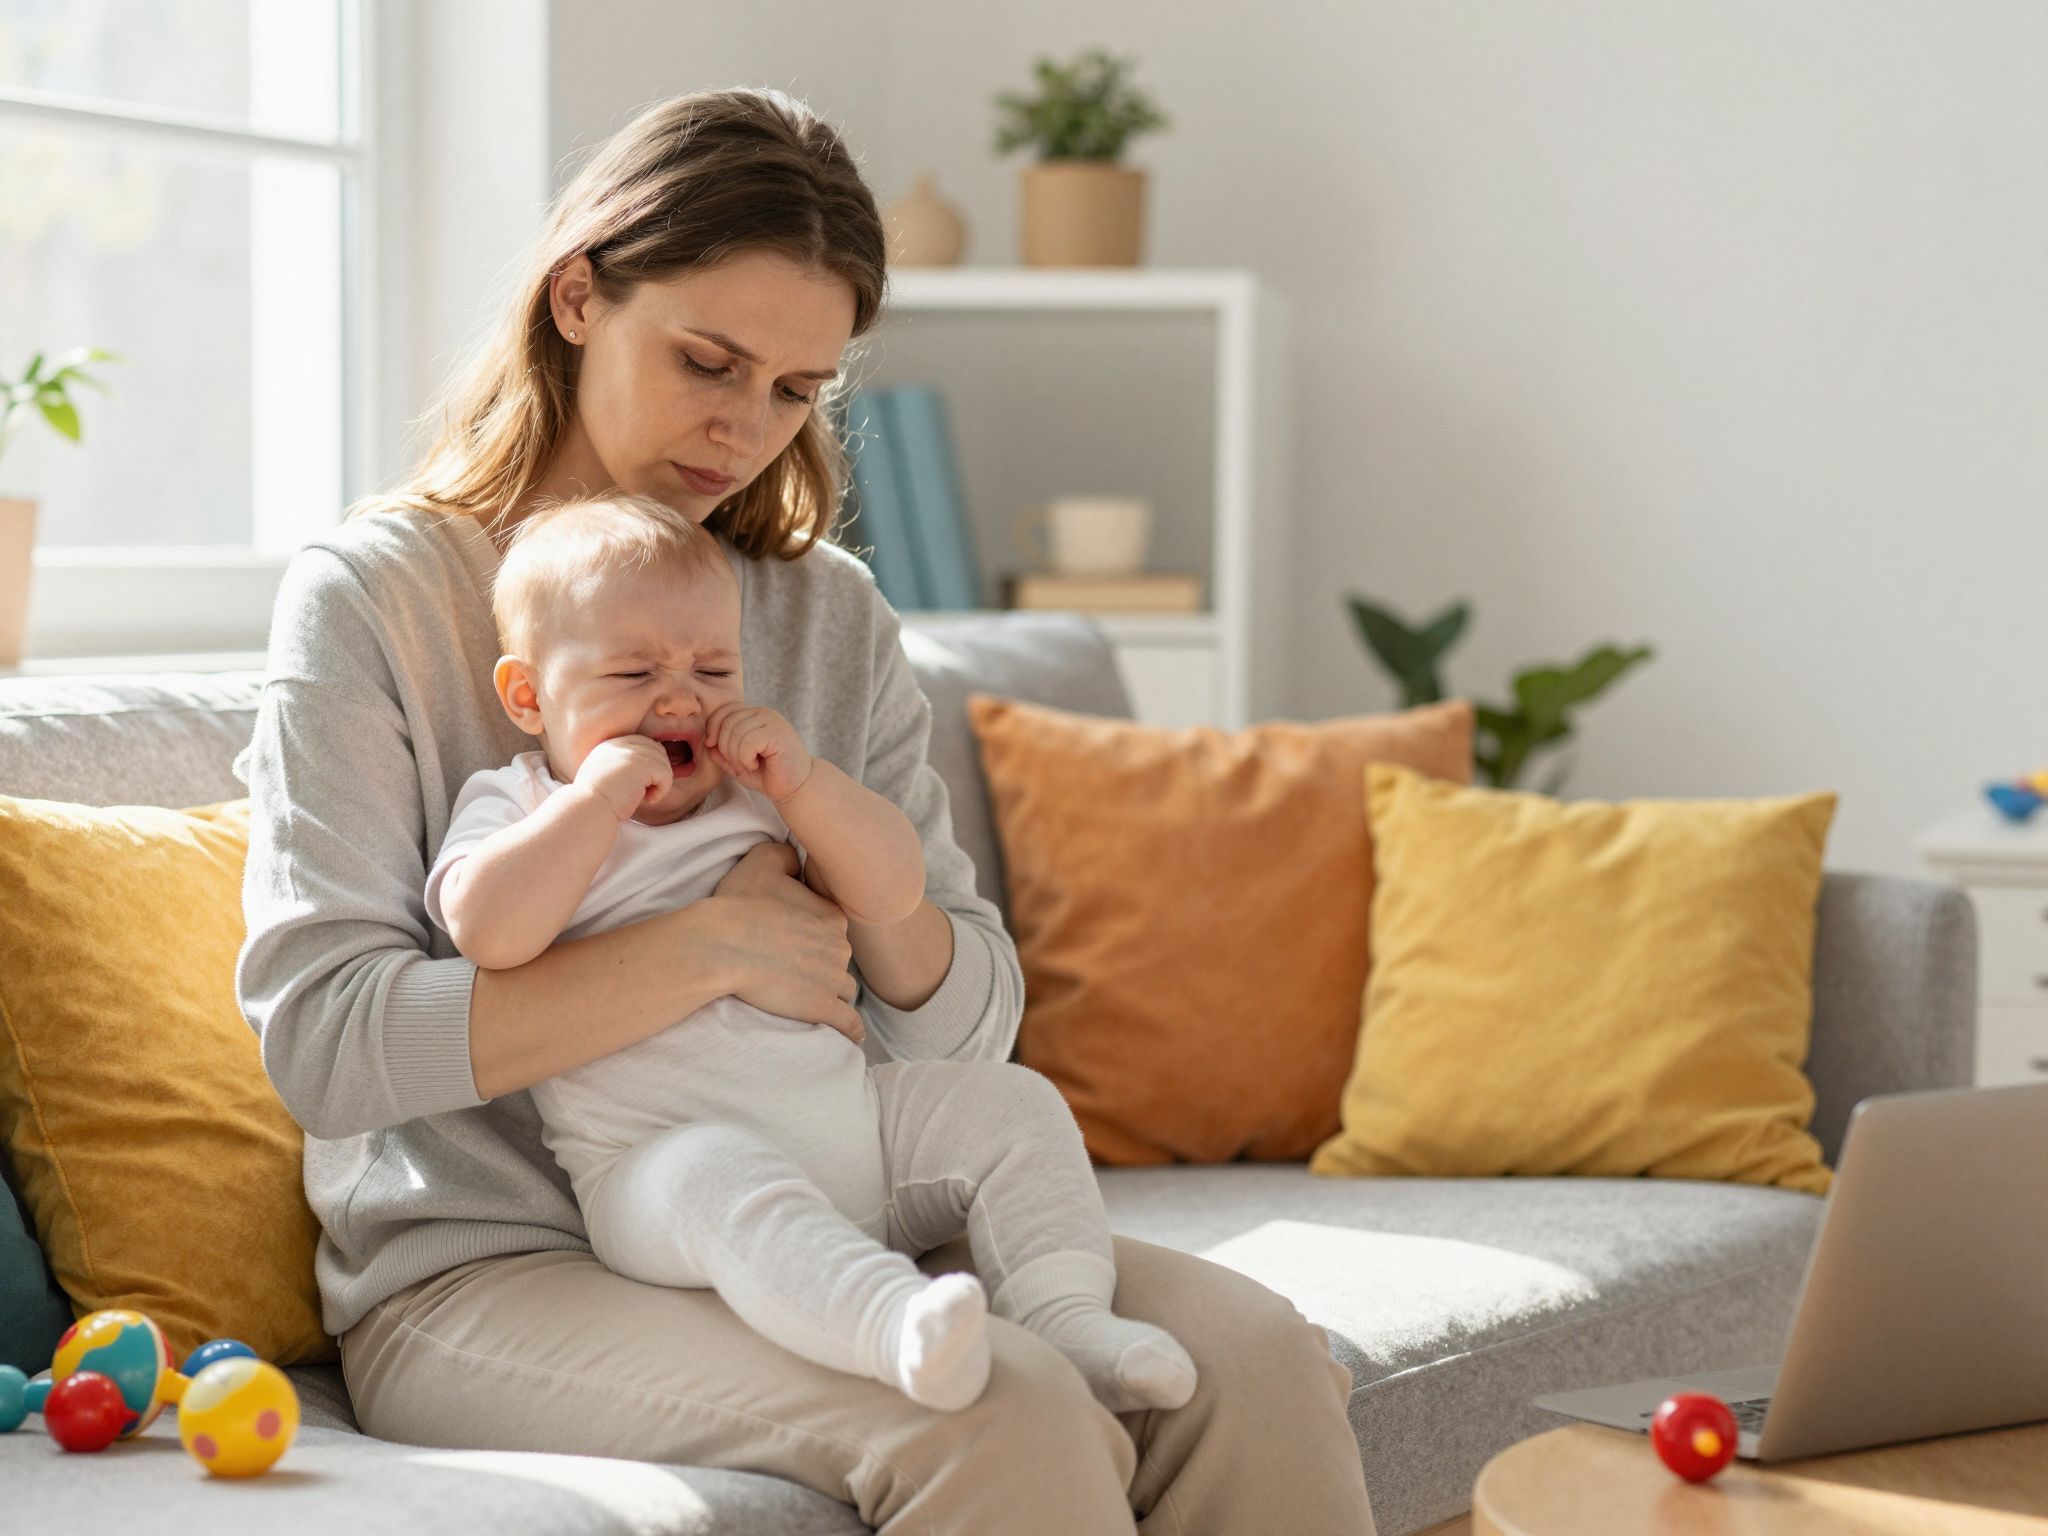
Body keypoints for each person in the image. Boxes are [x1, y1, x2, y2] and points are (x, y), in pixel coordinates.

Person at [234, 85, 1377, 1534]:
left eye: (794, 392)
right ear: (579, 296)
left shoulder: (822, 614)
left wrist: (872, 907)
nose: (742, 433)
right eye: (708, 361)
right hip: (490, 1269)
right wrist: (709, 952)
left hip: (834, 1199)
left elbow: (966, 1016)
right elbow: (324, 1046)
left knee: (1258, 1357)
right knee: (999, 1413)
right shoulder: (375, 598)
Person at [426, 490, 1198, 1415]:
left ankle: (1067, 1317)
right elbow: (487, 931)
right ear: (527, 695)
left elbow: (892, 891)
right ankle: (896, 1328)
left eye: (714, 669)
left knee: (1014, 1104)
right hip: (655, 1169)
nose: (680, 699)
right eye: (632, 676)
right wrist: (591, 808)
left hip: (854, 1128)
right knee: (716, 1175)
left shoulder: (756, 797)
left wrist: (807, 786)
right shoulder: (518, 806)